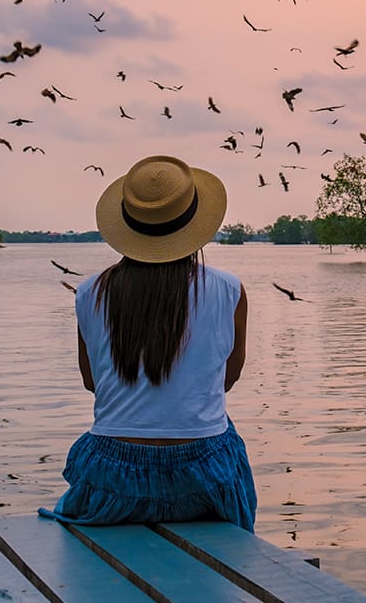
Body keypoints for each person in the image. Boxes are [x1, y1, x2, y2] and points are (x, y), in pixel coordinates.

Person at [39, 154, 255, 530]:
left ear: (127, 225)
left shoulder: (90, 292)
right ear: (194, 225)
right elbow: (226, 379)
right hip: (203, 478)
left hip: (113, 481)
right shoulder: (229, 289)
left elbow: (93, 382)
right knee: (222, 427)